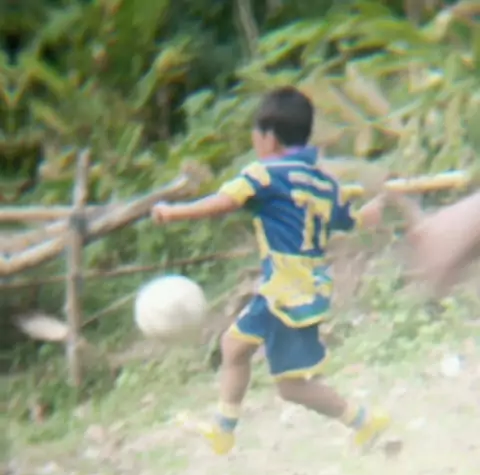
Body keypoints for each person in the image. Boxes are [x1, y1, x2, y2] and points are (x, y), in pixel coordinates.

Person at [152, 86, 390, 455]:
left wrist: (174, 212)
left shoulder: (263, 174)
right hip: (304, 288)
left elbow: (225, 202)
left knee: (286, 383)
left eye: (255, 134)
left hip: (285, 291)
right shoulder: (324, 182)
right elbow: (346, 221)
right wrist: (366, 217)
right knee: (239, 350)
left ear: (269, 137)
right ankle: (224, 430)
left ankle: (362, 421)